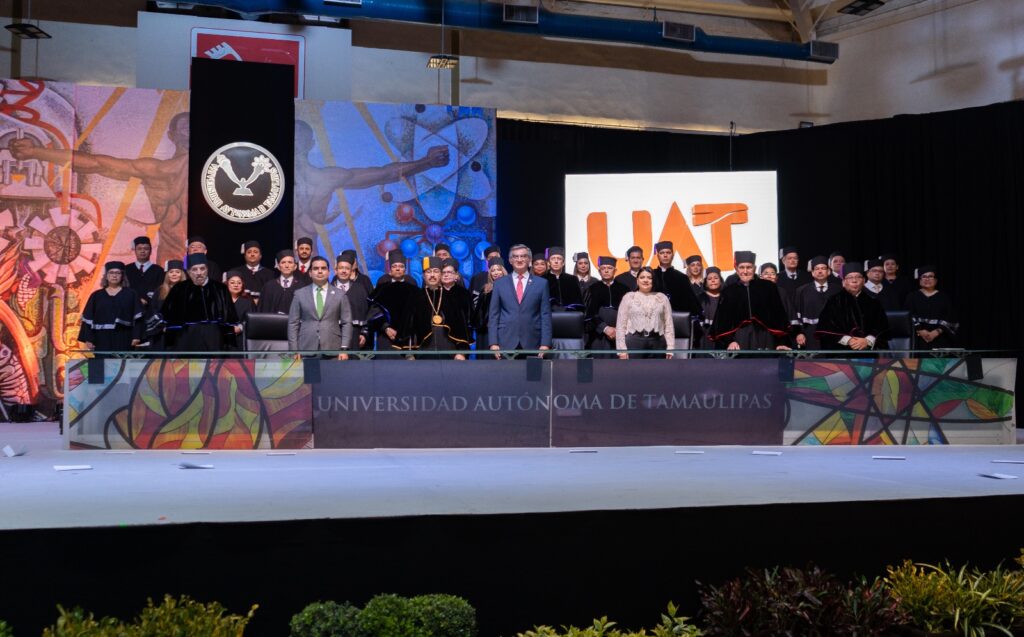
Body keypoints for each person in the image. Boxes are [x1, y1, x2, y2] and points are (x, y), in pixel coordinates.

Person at [11, 112, 190, 266]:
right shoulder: (159, 171)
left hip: (198, 258)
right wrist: (36, 152)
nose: (189, 129)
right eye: (184, 126)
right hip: (172, 261)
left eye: (191, 125)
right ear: (171, 135)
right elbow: (98, 164)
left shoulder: (207, 171)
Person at [294, 119, 450, 241]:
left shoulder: (327, 178)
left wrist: (427, 162)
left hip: (307, 262)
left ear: (311, 144)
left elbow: (384, 174)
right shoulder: (272, 178)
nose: (295, 142)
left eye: (299, 138)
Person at [710, 251, 791, 351]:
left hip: (766, 336)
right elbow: (723, 322)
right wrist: (730, 341)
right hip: (739, 339)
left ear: (755, 268)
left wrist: (780, 342)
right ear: (736, 269)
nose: (745, 271)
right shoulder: (729, 291)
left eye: (748, 267)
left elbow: (778, 316)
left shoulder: (768, 288)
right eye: (741, 267)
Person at [162, 253, 239, 352]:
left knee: (213, 365)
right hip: (187, 337)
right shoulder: (179, 289)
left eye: (202, 269)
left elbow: (228, 319)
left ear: (207, 269)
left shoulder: (220, 289)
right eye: (194, 269)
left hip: (213, 337)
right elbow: (168, 317)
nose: (199, 273)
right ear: (188, 272)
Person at [400, 257, 472, 359]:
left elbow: (461, 326)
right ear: (423, 276)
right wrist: (409, 353)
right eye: (429, 272)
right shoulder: (415, 297)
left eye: (436, 271)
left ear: (441, 275)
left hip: (450, 352)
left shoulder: (452, 296)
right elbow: (408, 326)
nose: (432, 275)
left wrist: (461, 352)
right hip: (422, 351)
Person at [488, 244, 552, 356]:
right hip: (505, 342)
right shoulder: (499, 283)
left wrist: (545, 343)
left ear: (529, 260)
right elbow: (494, 315)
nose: (519, 259)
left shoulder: (541, 283)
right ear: (510, 260)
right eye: (515, 256)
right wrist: (493, 343)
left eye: (523, 256)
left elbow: (545, 315)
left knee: (533, 373)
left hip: (533, 343)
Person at [288, 256, 352, 360]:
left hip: (333, 349)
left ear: (328, 272)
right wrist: (294, 350)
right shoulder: (299, 294)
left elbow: (347, 322)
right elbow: (293, 323)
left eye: (323, 268)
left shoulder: (340, 295)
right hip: (306, 349)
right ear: (310, 273)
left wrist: (344, 349)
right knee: (308, 376)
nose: (320, 271)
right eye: (316, 268)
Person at [816, 263, 889, 352]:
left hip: (868, 352)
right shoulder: (833, 301)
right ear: (843, 282)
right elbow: (825, 328)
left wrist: (867, 341)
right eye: (850, 277)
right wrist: (848, 340)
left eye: (858, 277)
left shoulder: (874, 302)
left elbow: (883, 327)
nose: (854, 280)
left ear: (864, 281)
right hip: (841, 353)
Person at [78, 261, 144, 355]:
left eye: (117, 273)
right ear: (106, 276)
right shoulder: (96, 296)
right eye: (111, 273)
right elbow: (88, 319)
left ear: (122, 276)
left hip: (124, 336)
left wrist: (136, 336)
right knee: (102, 366)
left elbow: (138, 318)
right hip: (101, 338)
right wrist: (89, 339)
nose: (114, 276)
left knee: (123, 365)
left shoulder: (131, 294)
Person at [615, 267, 674, 359]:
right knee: (634, 372)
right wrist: (621, 350)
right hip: (634, 342)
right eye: (642, 277)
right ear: (637, 280)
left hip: (658, 342)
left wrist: (670, 348)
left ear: (653, 281)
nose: (645, 280)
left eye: (649, 278)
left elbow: (669, 324)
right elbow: (620, 325)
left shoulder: (662, 298)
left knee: (659, 372)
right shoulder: (629, 297)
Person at [369, 250, 419, 351]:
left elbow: (416, 308)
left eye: (401, 266)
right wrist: (385, 327)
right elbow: (375, 309)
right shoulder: (383, 282)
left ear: (405, 269)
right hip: (385, 333)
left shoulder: (411, 282)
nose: (397, 269)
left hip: (406, 333)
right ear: (390, 269)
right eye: (394, 266)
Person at [905, 265, 958, 350]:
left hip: (940, 338)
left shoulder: (944, 297)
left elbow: (950, 317)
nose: (927, 279)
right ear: (919, 280)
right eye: (924, 276)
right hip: (917, 339)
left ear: (936, 280)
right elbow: (908, 316)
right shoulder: (912, 296)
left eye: (930, 276)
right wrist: (920, 331)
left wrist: (937, 332)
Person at [584, 255, 629, 353]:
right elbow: (590, 313)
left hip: (620, 333)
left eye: (610, 268)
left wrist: (619, 330)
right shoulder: (592, 289)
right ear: (599, 271)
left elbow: (630, 313)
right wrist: (605, 328)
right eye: (603, 268)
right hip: (598, 333)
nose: (606, 271)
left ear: (615, 270)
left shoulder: (624, 289)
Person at [793, 256, 839, 350]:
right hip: (809, 335)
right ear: (812, 273)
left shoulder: (838, 290)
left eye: (823, 268)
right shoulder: (801, 291)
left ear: (829, 271)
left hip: (833, 335)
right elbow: (796, 314)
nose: (820, 271)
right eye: (817, 269)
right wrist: (799, 333)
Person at [141, 259, 185, 350]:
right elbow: (153, 310)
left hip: (181, 332)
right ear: (167, 274)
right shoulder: (160, 291)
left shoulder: (188, 290)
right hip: (162, 332)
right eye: (171, 272)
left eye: (177, 272)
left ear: (182, 274)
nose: (174, 274)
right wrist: (163, 326)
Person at [332, 252, 371, 350]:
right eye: (341, 268)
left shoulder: (360, 289)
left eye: (347, 268)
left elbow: (367, 313)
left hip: (355, 336)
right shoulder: (328, 289)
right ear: (335, 270)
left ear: (351, 271)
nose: (344, 271)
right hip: (332, 335)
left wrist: (364, 333)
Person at [651, 241, 701, 313]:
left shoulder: (682, 278)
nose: (665, 255)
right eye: (662, 253)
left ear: (673, 255)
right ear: (658, 255)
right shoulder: (651, 275)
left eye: (668, 253)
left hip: (676, 320)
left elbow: (692, 304)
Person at [471, 256, 506, 351]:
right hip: (487, 329)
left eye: (498, 270)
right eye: (493, 270)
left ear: (503, 271)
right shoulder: (486, 289)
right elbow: (480, 311)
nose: (496, 273)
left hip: (505, 328)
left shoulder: (510, 288)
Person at [259, 251, 309, 315]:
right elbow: (263, 310)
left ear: (295, 266)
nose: (287, 265)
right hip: (272, 324)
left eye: (290, 262)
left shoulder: (302, 287)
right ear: (278, 266)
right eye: (283, 262)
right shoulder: (269, 287)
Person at [760, 262, 797, 348]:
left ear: (776, 277)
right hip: (760, 333)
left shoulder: (782, 292)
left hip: (779, 334)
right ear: (760, 276)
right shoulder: (755, 292)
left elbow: (789, 313)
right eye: (766, 273)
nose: (769, 276)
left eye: (772, 273)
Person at [124, 236, 164, 306]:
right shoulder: (126, 269)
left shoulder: (159, 270)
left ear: (151, 251)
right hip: (130, 308)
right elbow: (124, 290)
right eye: (139, 249)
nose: (142, 251)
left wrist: (146, 300)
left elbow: (160, 292)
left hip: (151, 309)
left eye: (146, 248)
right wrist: (137, 300)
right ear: (135, 251)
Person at [544, 247, 584, 311]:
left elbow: (579, 303)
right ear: (548, 263)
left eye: (559, 259)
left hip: (570, 316)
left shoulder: (572, 279)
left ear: (563, 263)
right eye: (553, 258)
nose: (556, 261)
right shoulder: (542, 280)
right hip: (548, 316)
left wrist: (567, 309)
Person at [694, 267, 723, 351]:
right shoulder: (699, 298)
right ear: (706, 283)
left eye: (716, 278)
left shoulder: (726, 298)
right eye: (709, 279)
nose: (713, 280)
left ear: (720, 281)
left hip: (720, 338)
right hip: (702, 338)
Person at [226, 273, 254, 348]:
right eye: (232, 283)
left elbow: (251, 321)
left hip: (240, 339)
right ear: (227, 284)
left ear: (242, 285)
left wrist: (240, 327)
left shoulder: (248, 302)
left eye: (239, 283)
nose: (236, 285)